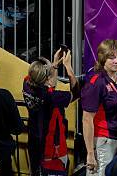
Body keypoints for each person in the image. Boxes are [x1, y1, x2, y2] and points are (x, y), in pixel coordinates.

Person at [23, 48, 80, 176]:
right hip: (51, 146)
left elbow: (49, 85)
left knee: (35, 171)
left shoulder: (27, 83)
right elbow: (76, 93)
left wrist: (54, 65)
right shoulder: (52, 97)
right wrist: (68, 67)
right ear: (47, 79)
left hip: (34, 139)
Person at [81, 40, 117, 176]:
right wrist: (90, 153)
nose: (116, 61)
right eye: (111, 57)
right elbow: (86, 119)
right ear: (103, 59)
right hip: (104, 141)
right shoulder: (96, 83)